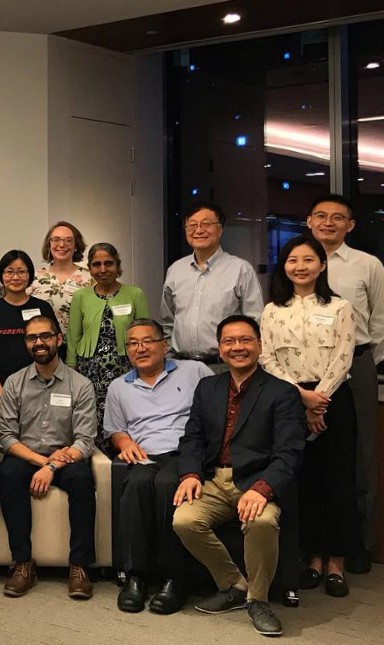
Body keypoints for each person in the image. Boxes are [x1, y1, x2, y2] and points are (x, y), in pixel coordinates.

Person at [171, 315, 305, 637]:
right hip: (215, 480)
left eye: (245, 340)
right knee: (184, 520)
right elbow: (193, 438)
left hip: (258, 480)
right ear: (220, 349)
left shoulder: (282, 393)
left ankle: (257, 600)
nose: (238, 347)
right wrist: (189, 473)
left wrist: (262, 489)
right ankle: (232, 585)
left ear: (259, 345)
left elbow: (290, 453)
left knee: (261, 521)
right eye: (229, 341)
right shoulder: (208, 388)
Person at [260, 235, 358, 596]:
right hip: (289, 400)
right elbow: (267, 358)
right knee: (304, 480)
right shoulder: (272, 310)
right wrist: (301, 397)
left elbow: (344, 356)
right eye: (292, 260)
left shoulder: (340, 306)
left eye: (308, 260)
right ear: (283, 266)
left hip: (333, 399)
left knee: (337, 478)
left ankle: (337, 562)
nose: (300, 266)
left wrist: (320, 400)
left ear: (322, 265)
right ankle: (312, 559)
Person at [104, 319, 211, 615]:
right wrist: (124, 443)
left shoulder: (195, 371)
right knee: (136, 486)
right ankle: (136, 576)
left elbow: (215, 410)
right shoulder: (119, 387)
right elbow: (115, 429)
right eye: (133, 344)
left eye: (147, 341)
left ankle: (173, 578)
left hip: (184, 453)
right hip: (144, 456)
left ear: (164, 345)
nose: (141, 348)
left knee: (167, 486)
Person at [306, 193, 384, 574]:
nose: (328, 222)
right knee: (317, 458)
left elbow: (380, 319)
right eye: (320, 216)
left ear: (350, 225)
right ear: (309, 222)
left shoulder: (367, 264)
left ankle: (359, 545)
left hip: (357, 367)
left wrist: (369, 361)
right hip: (310, 375)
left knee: (361, 457)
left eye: (337, 218)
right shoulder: (298, 263)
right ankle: (316, 545)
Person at [0, 315, 97, 599]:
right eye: (32, 338)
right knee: (9, 474)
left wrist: (53, 465)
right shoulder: (15, 383)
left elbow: (85, 440)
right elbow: (6, 436)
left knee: (81, 480)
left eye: (45, 336)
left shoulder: (80, 385)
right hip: (26, 456)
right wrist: (42, 463)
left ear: (58, 339)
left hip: (67, 459)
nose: (39, 343)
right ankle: (23, 563)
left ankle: (79, 566)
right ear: (26, 344)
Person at [162, 204, 264, 371]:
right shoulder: (175, 270)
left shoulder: (240, 270)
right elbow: (168, 321)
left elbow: (255, 321)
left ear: (220, 229)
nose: (199, 230)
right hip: (181, 366)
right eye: (192, 225)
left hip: (224, 366)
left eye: (206, 224)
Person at [67, 243, 149, 427]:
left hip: (125, 367)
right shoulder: (81, 296)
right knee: (90, 415)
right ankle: (96, 454)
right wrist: (71, 368)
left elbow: (146, 333)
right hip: (90, 368)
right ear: (89, 268)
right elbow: (73, 336)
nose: (103, 269)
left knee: (125, 412)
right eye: (97, 264)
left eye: (109, 263)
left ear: (117, 266)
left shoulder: (135, 294)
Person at [0, 250, 55, 398]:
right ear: (1, 275)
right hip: (1, 388)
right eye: (9, 272)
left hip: (40, 387)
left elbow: (53, 347)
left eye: (21, 272)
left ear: (30, 275)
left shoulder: (43, 308)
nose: (15, 277)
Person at [29, 221, 92, 333]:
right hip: (43, 345)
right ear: (49, 245)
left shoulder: (90, 278)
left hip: (81, 344)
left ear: (76, 246)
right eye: (56, 240)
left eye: (68, 240)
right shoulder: (33, 278)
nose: (62, 245)